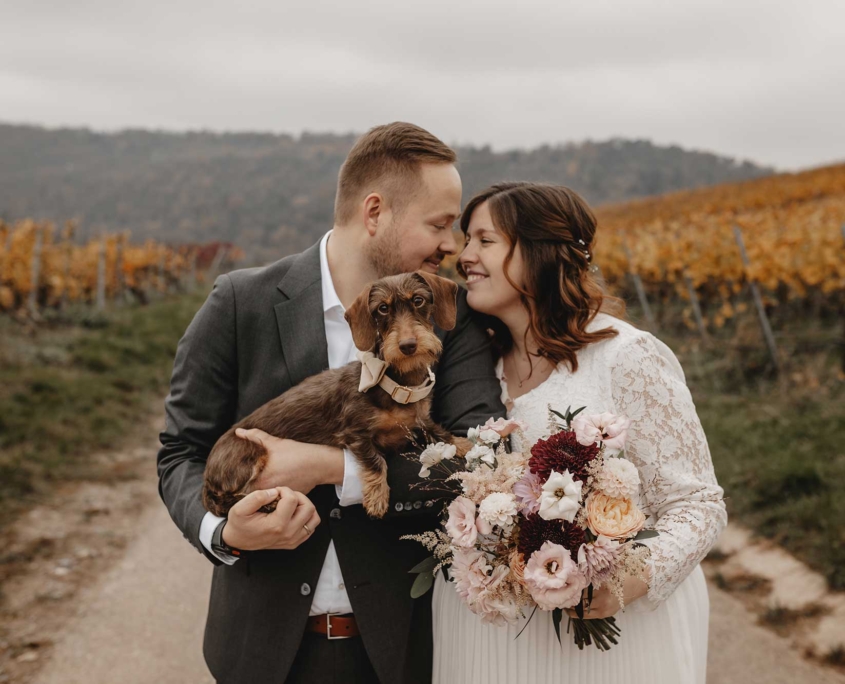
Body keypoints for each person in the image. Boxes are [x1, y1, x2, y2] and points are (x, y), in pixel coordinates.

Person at [157, 122, 505, 684]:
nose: (452, 246)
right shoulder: (240, 302)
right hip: (259, 654)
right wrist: (223, 533)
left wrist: (332, 467)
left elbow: (483, 461)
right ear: (375, 213)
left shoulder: (450, 315)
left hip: (401, 651)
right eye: (439, 224)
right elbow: (181, 452)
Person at [432, 182, 727, 683]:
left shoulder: (625, 356)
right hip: (491, 633)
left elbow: (698, 503)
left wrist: (624, 582)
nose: (465, 256)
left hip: (607, 637)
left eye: (485, 240)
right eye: (466, 240)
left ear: (540, 252)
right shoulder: (471, 366)